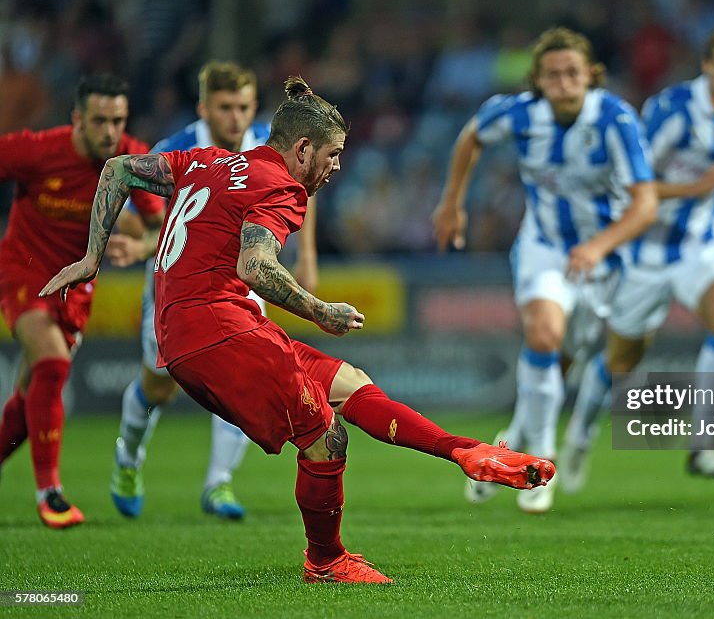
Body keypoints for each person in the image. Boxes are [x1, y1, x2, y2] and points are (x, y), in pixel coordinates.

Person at [41, 76, 554, 584]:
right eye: (332, 155)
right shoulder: (281, 185)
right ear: (303, 148)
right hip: (217, 331)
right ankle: (326, 562)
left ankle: (463, 450)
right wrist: (318, 310)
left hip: (200, 327)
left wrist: (92, 256)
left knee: (349, 383)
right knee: (326, 438)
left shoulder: (207, 160)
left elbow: (119, 170)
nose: (336, 167)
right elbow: (255, 267)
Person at [559, 25, 714, 492]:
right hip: (644, 252)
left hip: (703, 244)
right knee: (621, 359)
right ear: (707, 67)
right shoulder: (671, 111)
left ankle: (703, 444)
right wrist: (695, 187)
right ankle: (579, 436)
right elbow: (629, 182)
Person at [432, 27, 657, 514]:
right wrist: (452, 203)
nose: (562, 81)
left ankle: (507, 447)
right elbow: (472, 135)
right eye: (552, 74)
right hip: (544, 247)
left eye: (572, 72)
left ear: (590, 75)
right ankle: (542, 463)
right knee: (543, 334)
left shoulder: (615, 118)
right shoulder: (519, 114)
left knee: (573, 359)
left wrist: (599, 245)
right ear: (537, 79)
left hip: (606, 256)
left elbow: (645, 204)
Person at [105, 61, 319, 520]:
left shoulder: (271, 141)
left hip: (241, 277)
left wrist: (308, 257)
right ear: (205, 107)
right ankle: (129, 458)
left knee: (248, 374)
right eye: (225, 108)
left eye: (243, 107)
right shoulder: (178, 147)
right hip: (178, 282)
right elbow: (147, 220)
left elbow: (299, 189)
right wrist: (138, 242)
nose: (235, 118)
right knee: (156, 385)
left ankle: (219, 483)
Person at [0, 73, 151, 529]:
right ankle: (51, 492)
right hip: (25, 270)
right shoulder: (37, 149)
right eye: (100, 121)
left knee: (30, 396)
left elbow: (163, 223)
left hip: (77, 288)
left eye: (117, 120)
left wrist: (139, 246)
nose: (110, 131)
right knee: (52, 363)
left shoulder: (135, 159)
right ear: (77, 120)